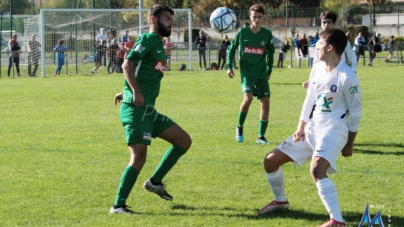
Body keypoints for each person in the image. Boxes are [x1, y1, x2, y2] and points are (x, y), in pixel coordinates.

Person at [257, 29, 362, 227]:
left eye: (319, 44)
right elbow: (310, 99)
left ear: (330, 48)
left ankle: (337, 221)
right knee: (270, 161)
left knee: (316, 169)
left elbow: (356, 112)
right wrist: (301, 126)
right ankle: (280, 200)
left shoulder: (348, 77)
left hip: (334, 130)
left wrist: (349, 143)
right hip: (311, 128)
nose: (315, 47)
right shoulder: (317, 68)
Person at [109, 4, 192, 214]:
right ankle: (118, 206)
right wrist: (134, 92)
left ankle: (154, 182)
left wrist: (126, 89)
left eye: (171, 19)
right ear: (154, 20)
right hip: (136, 109)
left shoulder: (158, 44)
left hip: (148, 110)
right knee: (138, 158)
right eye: (166, 18)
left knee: (183, 141)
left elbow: (140, 70)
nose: (170, 22)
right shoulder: (148, 39)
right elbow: (127, 64)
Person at [226, 4, 274, 144]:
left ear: (263, 18)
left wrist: (269, 71)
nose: (257, 19)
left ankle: (261, 137)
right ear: (250, 17)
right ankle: (239, 127)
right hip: (247, 73)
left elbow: (270, 54)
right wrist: (229, 67)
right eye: (254, 17)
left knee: (266, 103)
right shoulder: (242, 32)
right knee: (248, 98)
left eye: (259, 17)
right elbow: (231, 49)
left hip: (261, 73)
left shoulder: (267, 34)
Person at [302, 11, 357, 88]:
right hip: (324, 79)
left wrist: (353, 72)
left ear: (333, 24)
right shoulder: (318, 44)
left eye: (329, 22)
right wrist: (310, 80)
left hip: (341, 77)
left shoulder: (342, 40)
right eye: (324, 22)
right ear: (321, 24)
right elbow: (316, 64)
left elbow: (353, 57)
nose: (326, 25)